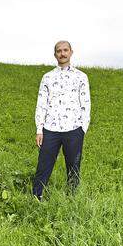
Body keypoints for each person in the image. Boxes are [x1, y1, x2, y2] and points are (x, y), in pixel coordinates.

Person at [32, 40, 90, 200]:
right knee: (43, 165)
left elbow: (86, 103)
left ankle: (72, 199)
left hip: (74, 129)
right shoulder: (48, 77)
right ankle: (36, 197)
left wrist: (82, 128)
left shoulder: (81, 77)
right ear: (55, 54)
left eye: (65, 50)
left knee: (73, 166)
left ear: (71, 52)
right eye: (59, 51)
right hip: (50, 129)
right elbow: (41, 103)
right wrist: (39, 129)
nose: (62, 53)